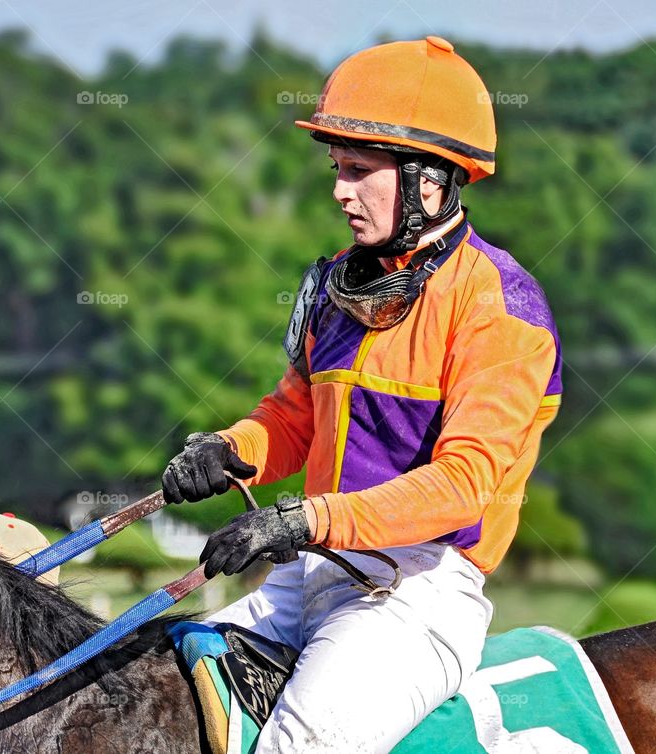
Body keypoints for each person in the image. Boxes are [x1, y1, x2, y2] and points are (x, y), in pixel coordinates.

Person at [162, 36, 562, 753]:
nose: (339, 192)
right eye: (336, 170)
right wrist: (229, 449)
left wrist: (302, 521)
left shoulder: (501, 303)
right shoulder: (344, 283)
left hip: (417, 593)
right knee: (151, 681)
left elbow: (463, 485)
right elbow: (293, 420)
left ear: (430, 180)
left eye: (358, 172)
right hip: (308, 575)